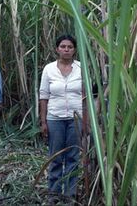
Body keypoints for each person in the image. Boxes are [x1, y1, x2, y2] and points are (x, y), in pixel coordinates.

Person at [39, 35, 82, 197]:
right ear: (57, 49)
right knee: (55, 157)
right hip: (54, 118)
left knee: (73, 157)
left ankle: (71, 194)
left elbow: (86, 96)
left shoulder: (81, 67)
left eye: (70, 47)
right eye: (63, 46)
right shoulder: (49, 69)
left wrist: (87, 121)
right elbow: (43, 96)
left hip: (76, 118)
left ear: (74, 50)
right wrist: (43, 122)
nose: (66, 49)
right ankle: (54, 194)